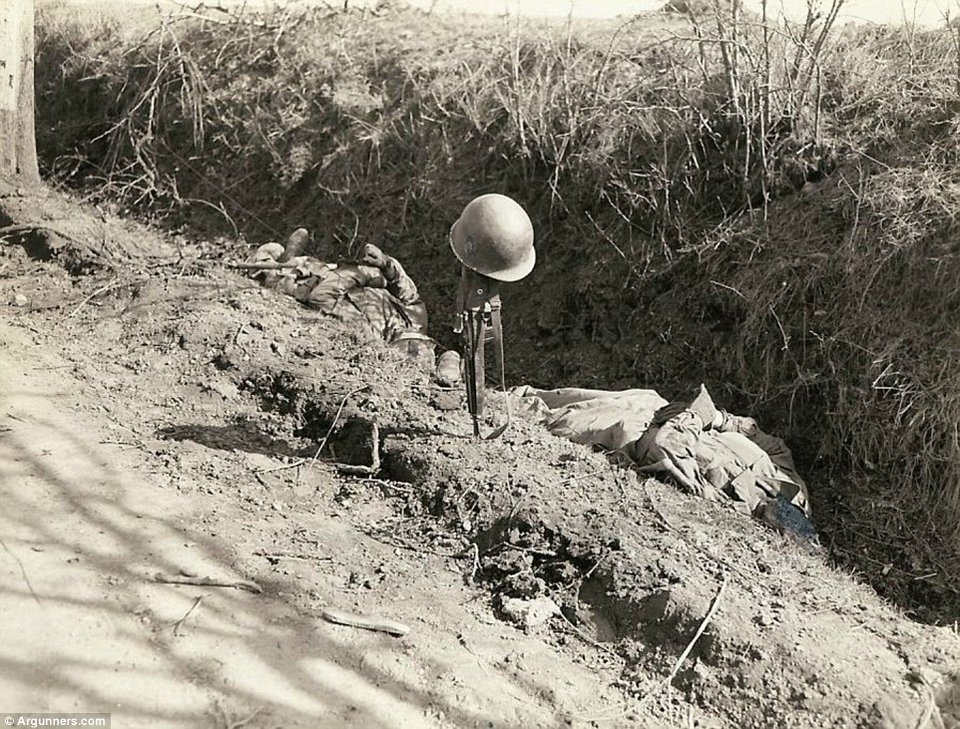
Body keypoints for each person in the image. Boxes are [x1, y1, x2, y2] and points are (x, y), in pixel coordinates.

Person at [516, 383, 816, 540]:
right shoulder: (792, 489)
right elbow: (773, 445)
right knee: (557, 394)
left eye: (774, 518)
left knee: (544, 414)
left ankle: (486, 400)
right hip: (661, 408)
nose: (778, 506)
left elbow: (666, 449)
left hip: (633, 430)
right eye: (793, 513)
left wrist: (694, 418)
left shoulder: (728, 506)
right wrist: (721, 420)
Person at [246, 229, 449, 373]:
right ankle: (289, 255)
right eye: (413, 336)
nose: (401, 329)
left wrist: (359, 274)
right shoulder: (415, 316)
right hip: (331, 269)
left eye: (404, 339)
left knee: (269, 262)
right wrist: (384, 262)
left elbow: (321, 298)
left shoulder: (369, 332)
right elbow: (400, 281)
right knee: (298, 258)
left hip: (310, 283)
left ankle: (279, 259)